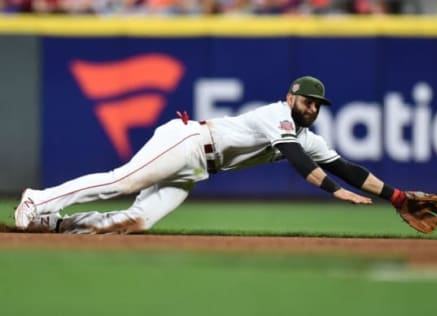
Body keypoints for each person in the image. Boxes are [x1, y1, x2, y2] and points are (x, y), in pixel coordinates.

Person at [15, 75, 409, 234]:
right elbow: (295, 158)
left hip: (198, 168)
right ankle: (38, 199)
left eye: (318, 104)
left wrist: (396, 197)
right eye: (308, 101)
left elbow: (347, 168)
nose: (313, 108)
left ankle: (53, 226)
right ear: (292, 97)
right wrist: (333, 192)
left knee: (136, 221)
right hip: (186, 142)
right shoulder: (277, 115)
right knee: (122, 181)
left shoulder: (309, 137)